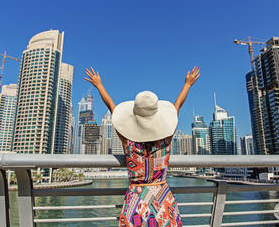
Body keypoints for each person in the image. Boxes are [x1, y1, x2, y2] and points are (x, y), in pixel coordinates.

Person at [85, 66, 200, 227]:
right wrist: (187, 84)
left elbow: (112, 106)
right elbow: (177, 106)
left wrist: (99, 85)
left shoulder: (128, 142)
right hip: (162, 200)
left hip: (136, 202)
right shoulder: (166, 139)